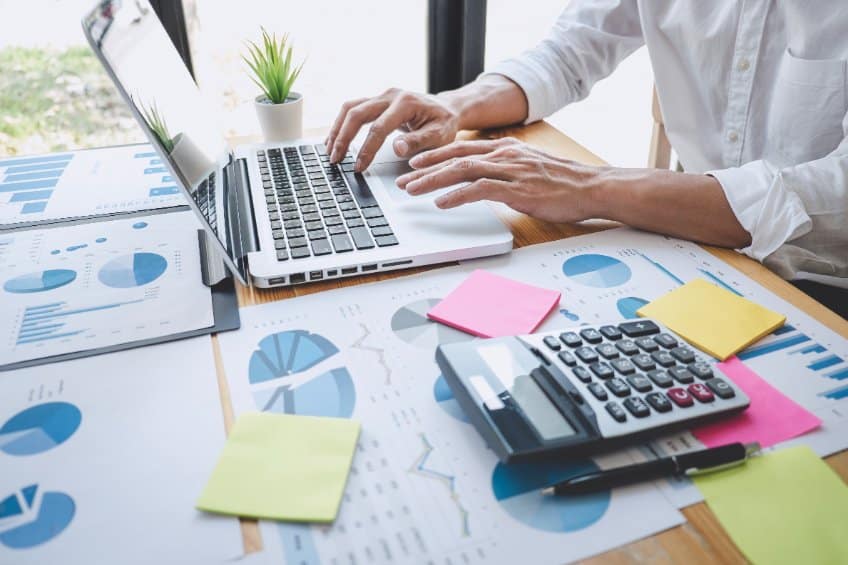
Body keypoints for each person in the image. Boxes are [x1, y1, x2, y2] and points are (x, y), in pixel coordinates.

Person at [325, 1, 848, 315]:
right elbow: (569, 52)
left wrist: (592, 188)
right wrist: (454, 105)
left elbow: (837, 190)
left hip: (824, 282)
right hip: (701, 253)